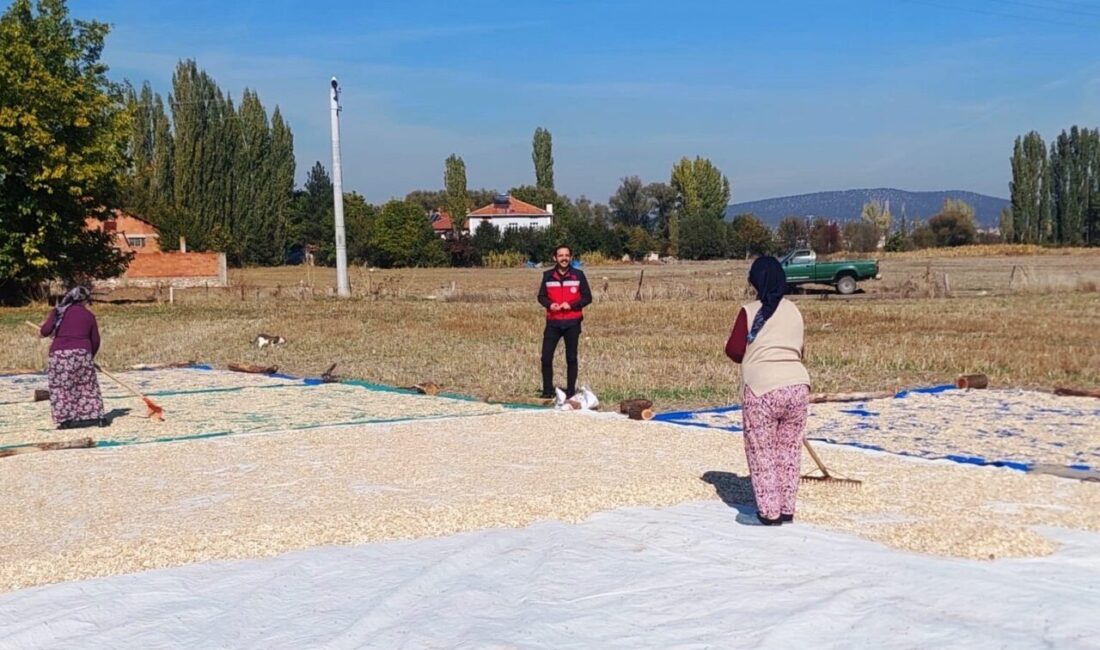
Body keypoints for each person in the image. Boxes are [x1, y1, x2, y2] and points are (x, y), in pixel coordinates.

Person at [724, 256, 810, 526]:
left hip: (762, 389)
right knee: (789, 449)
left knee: (762, 450)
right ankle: (786, 509)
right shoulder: (794, 311)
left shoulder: (749, 312)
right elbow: (800, 349)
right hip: (798, 386)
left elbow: (735, 350)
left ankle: (768, 513)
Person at [38, 286, 107, 429]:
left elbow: (45, 331)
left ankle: (65, 420)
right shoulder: (89, 316)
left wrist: (43, 332)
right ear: (84, 300)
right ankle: (98, 417)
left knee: (61, 387)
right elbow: (95, 340)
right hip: (82, 354)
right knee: (87, 385)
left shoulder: (58, 311)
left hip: (59, 355)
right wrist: (89, 357)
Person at [537, 245, 592, 399]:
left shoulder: (578, 275)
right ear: (555, 258)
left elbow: (587, 297)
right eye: (560, 255)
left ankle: (570, 392)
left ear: (571, 257)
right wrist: (549, 304)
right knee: (546, 357)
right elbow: (541, 297)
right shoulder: (547, 275)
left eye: (567, 255)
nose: (564, 258)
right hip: (553, 322)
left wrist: (572, 305)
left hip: (572, 322)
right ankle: (547, 391)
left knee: (571, 358)